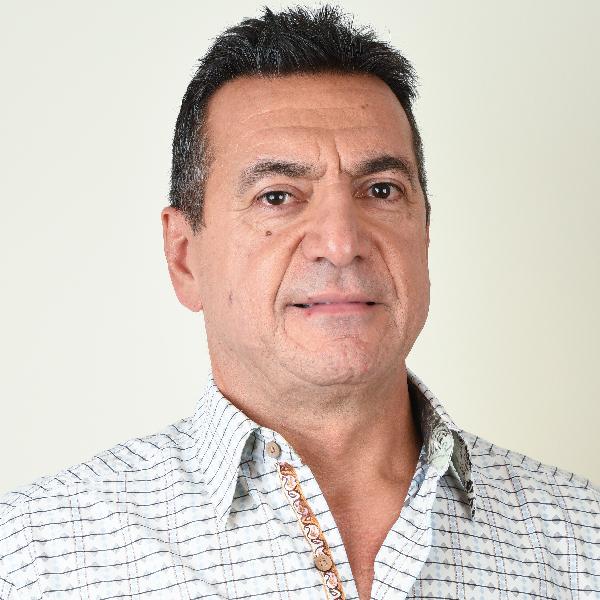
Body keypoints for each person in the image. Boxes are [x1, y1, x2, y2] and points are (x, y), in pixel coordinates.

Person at [1, 5, 598, 599]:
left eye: (381, 190)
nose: (341, 243)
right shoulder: (35, 558)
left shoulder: (583, 540)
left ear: (425, 234)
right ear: (184, 257)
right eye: (278, 196)